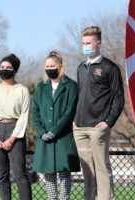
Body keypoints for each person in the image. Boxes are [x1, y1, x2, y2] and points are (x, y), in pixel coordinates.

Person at [73, 26, 124, 200]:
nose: (85, 46)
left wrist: (108, 122)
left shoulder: (110, 68)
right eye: (83, 43)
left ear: (98, 44)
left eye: (88, 43)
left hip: (98, 127)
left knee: (102, 167)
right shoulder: (81, 68)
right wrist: (75, 120)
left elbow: (118, 98)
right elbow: (80, 96)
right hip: (80, 127)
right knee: (87, 169)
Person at [32, 51, 80, 200]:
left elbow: (70, 111)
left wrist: (54, 131)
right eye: (47, 66)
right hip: (45, 137)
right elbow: (36, 111)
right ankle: (52, 198)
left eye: (52, 65)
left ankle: (65, 198)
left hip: (63, 136)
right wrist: (41, 132)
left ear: (61, 66)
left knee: (64, 172)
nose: (49, 68)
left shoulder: (71, 86)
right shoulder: (41, 87)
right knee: (49, 173)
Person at [0, 54, 32, 200]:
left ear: (15, 70)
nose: (5, 69)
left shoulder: (22, 90)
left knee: (19, 173)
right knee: (1, 175)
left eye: (9, 67)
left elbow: (24, 116)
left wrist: (12, 138)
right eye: (2, 67)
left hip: (15, 131)